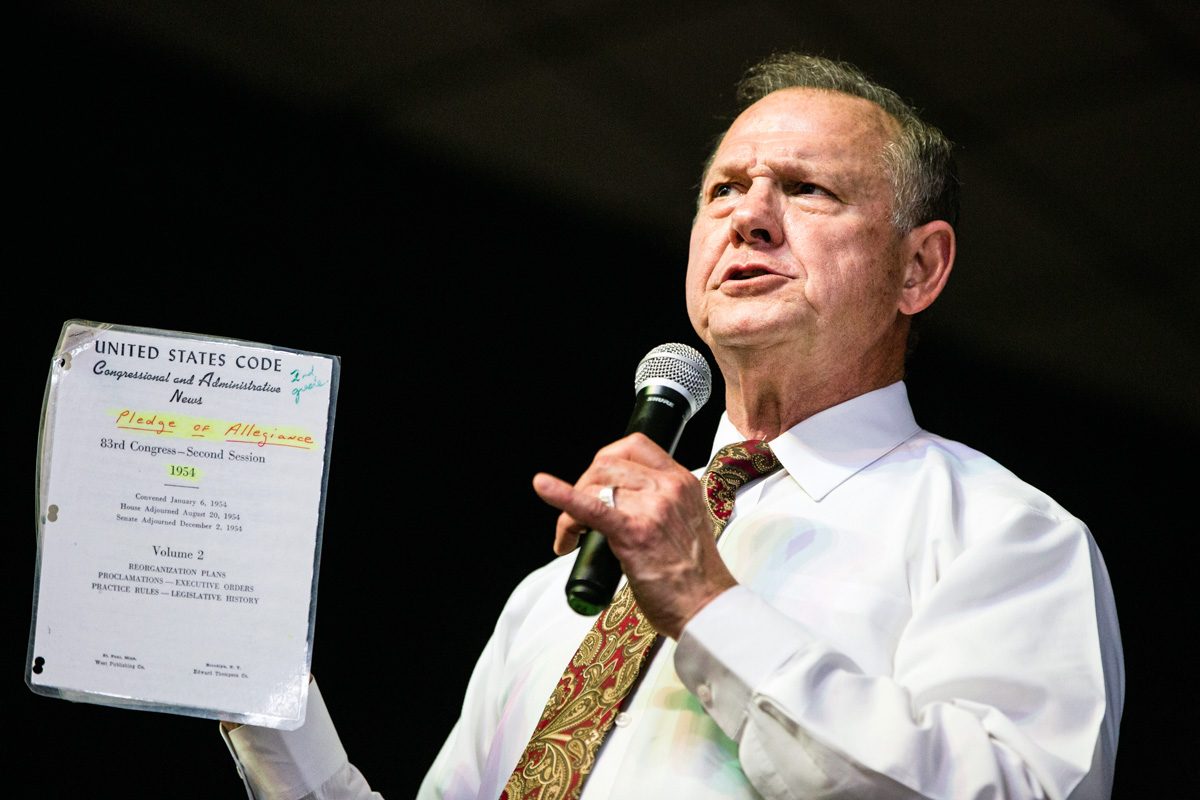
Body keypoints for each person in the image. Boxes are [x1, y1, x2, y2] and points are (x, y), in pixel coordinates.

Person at [221, 52, 1124, 799]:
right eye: (724, 189)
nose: (749, 217)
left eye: (806, 189)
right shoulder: (564, 588)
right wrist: (256, 687)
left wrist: (702, 601)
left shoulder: (1001, 535)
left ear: (918, 268)